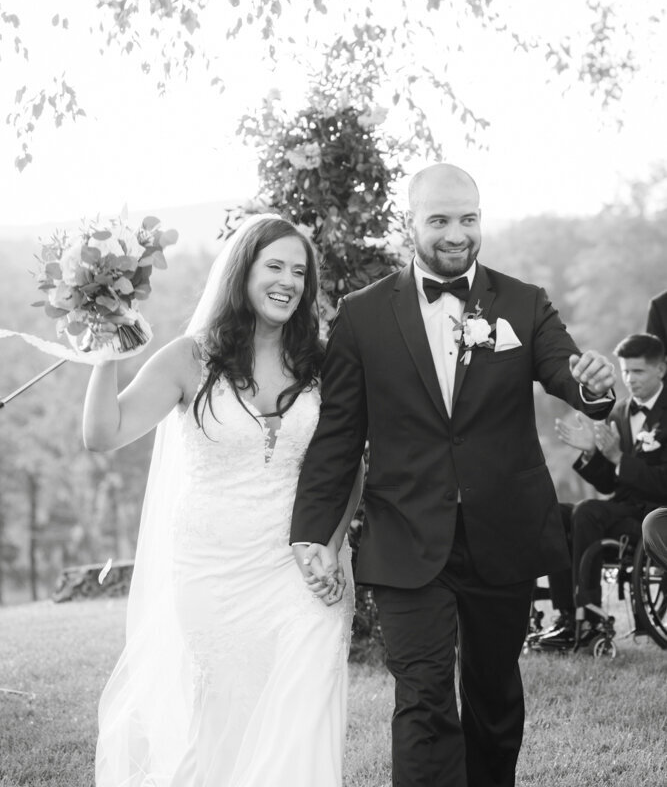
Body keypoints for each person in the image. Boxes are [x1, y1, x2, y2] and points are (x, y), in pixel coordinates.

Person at [290, 163, 615, 787]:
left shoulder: (523, 302)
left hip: (503, 529)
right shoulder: (361, 317)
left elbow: (565, 371)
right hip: (406, 532)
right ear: (409, 223)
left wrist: (593, 388)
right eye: (439, 220)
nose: (456, 233)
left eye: (468, 218)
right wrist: (312, 531)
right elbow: (337, 436)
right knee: (423, 697)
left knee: (494, 697)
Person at [83, 214, 361, 787]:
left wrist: (330, 545)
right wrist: (105, 350)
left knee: (303, 706)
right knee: (230, 718)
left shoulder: (321, 360)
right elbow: (102, 434)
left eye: (300, 272)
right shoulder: (190, 359)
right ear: (244, 271)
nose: (288, 281)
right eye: (275, 266)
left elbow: (346, 464)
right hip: (212, 570)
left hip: (304, 565)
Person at [542, 333, 667, 649]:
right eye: (625, 371)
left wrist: (617, 458)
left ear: (661, 369)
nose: (629, 379)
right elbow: (608, 484)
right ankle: (567, 617)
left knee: (588, 511)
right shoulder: (619, 411)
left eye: (637, 371)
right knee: (555, 511)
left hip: (656, 517)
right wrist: (591, 455)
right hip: (621, 509)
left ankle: (592, 618)